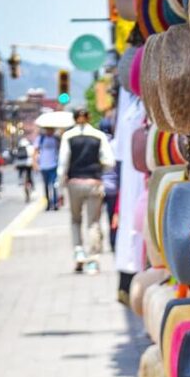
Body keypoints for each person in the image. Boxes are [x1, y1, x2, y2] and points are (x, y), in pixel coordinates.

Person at [58, 107, 115, 275]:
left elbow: (63, 164)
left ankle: (79, 253)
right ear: (89, 117)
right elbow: (109, 161)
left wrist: (61, 186)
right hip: (93, 183)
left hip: (74, 182)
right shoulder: (98, 136)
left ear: (74, 119)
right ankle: (93, 260)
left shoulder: (68, 136)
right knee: (93, 222)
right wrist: (98, 171)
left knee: (76, 220)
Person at [99, 117, 119, 253]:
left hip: (99, 186)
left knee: (95, 218)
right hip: (113, 187)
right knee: (112, 216)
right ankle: (113, 242)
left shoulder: (98, 142)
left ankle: (98, 242)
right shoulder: (116, 143)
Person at [34, 128, 60, 211]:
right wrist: (35, 163)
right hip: (43, 166)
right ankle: (48, 203)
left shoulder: (56, 138)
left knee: (54, 185)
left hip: (54, 165)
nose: (50, 131)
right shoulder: (40, 138)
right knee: (46, 186)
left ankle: (55, 203)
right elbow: (35, 151)